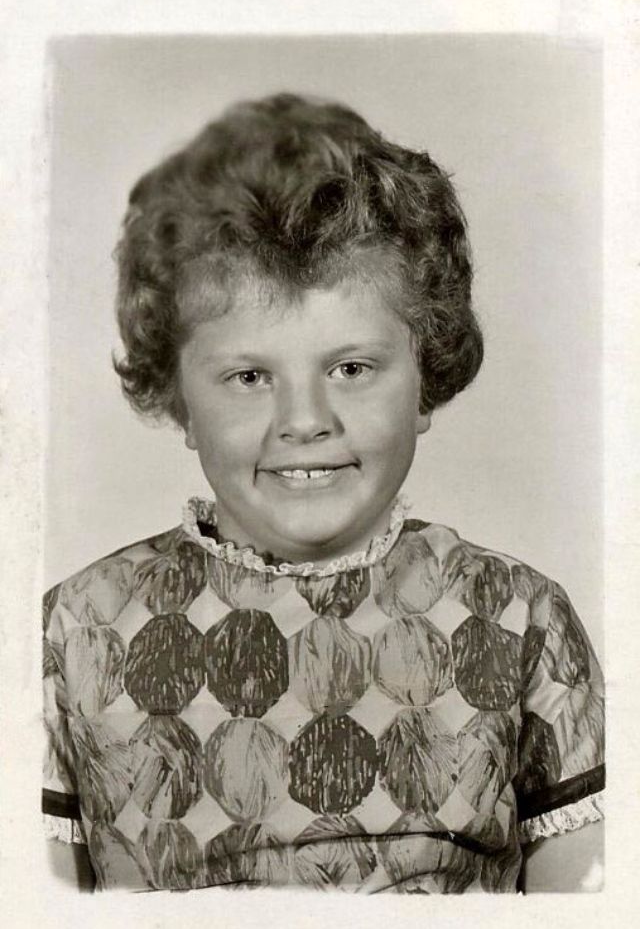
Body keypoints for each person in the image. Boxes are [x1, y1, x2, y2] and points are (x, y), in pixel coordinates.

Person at [43, 93, 604, 893]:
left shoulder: (520, 622)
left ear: (426, 376)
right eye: (249, 377)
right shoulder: (73, 633)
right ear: (180, 402)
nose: (305, 421)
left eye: (350, 368)